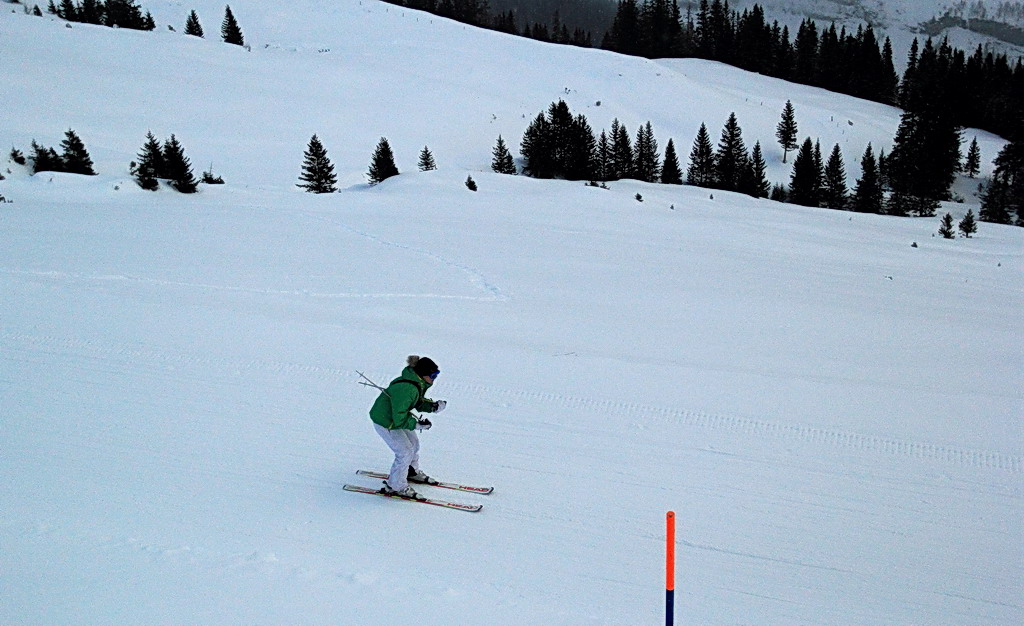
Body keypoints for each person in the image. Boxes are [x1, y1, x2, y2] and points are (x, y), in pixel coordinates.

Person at [368, 355, 447, 499]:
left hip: (396, 419)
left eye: (437, 375)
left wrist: (432, 407)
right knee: (404, 452)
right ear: (423, 374)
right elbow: (399, 418)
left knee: (414, 445)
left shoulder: (417, 383)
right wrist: (416, 424)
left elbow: (415, 402)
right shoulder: (407, 388)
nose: (435, 378)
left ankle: (411, 471)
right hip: (386, 422)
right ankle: (396, 486)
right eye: (433, 375)